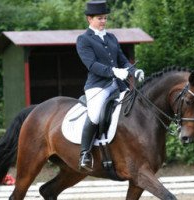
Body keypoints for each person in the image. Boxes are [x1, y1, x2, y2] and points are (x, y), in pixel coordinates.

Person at [76, 0, 145, 171]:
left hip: (118, 86)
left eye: (105, 18)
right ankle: (85, 153)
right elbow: (91, 65)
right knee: (94, 115)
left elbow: (122, 59)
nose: (103, 22)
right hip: (97, 86)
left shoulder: (111, 37)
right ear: (89, 19)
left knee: (134, 107)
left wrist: (133, 71)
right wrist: (114, 71)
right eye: (100, 18)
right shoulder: (84, 40)